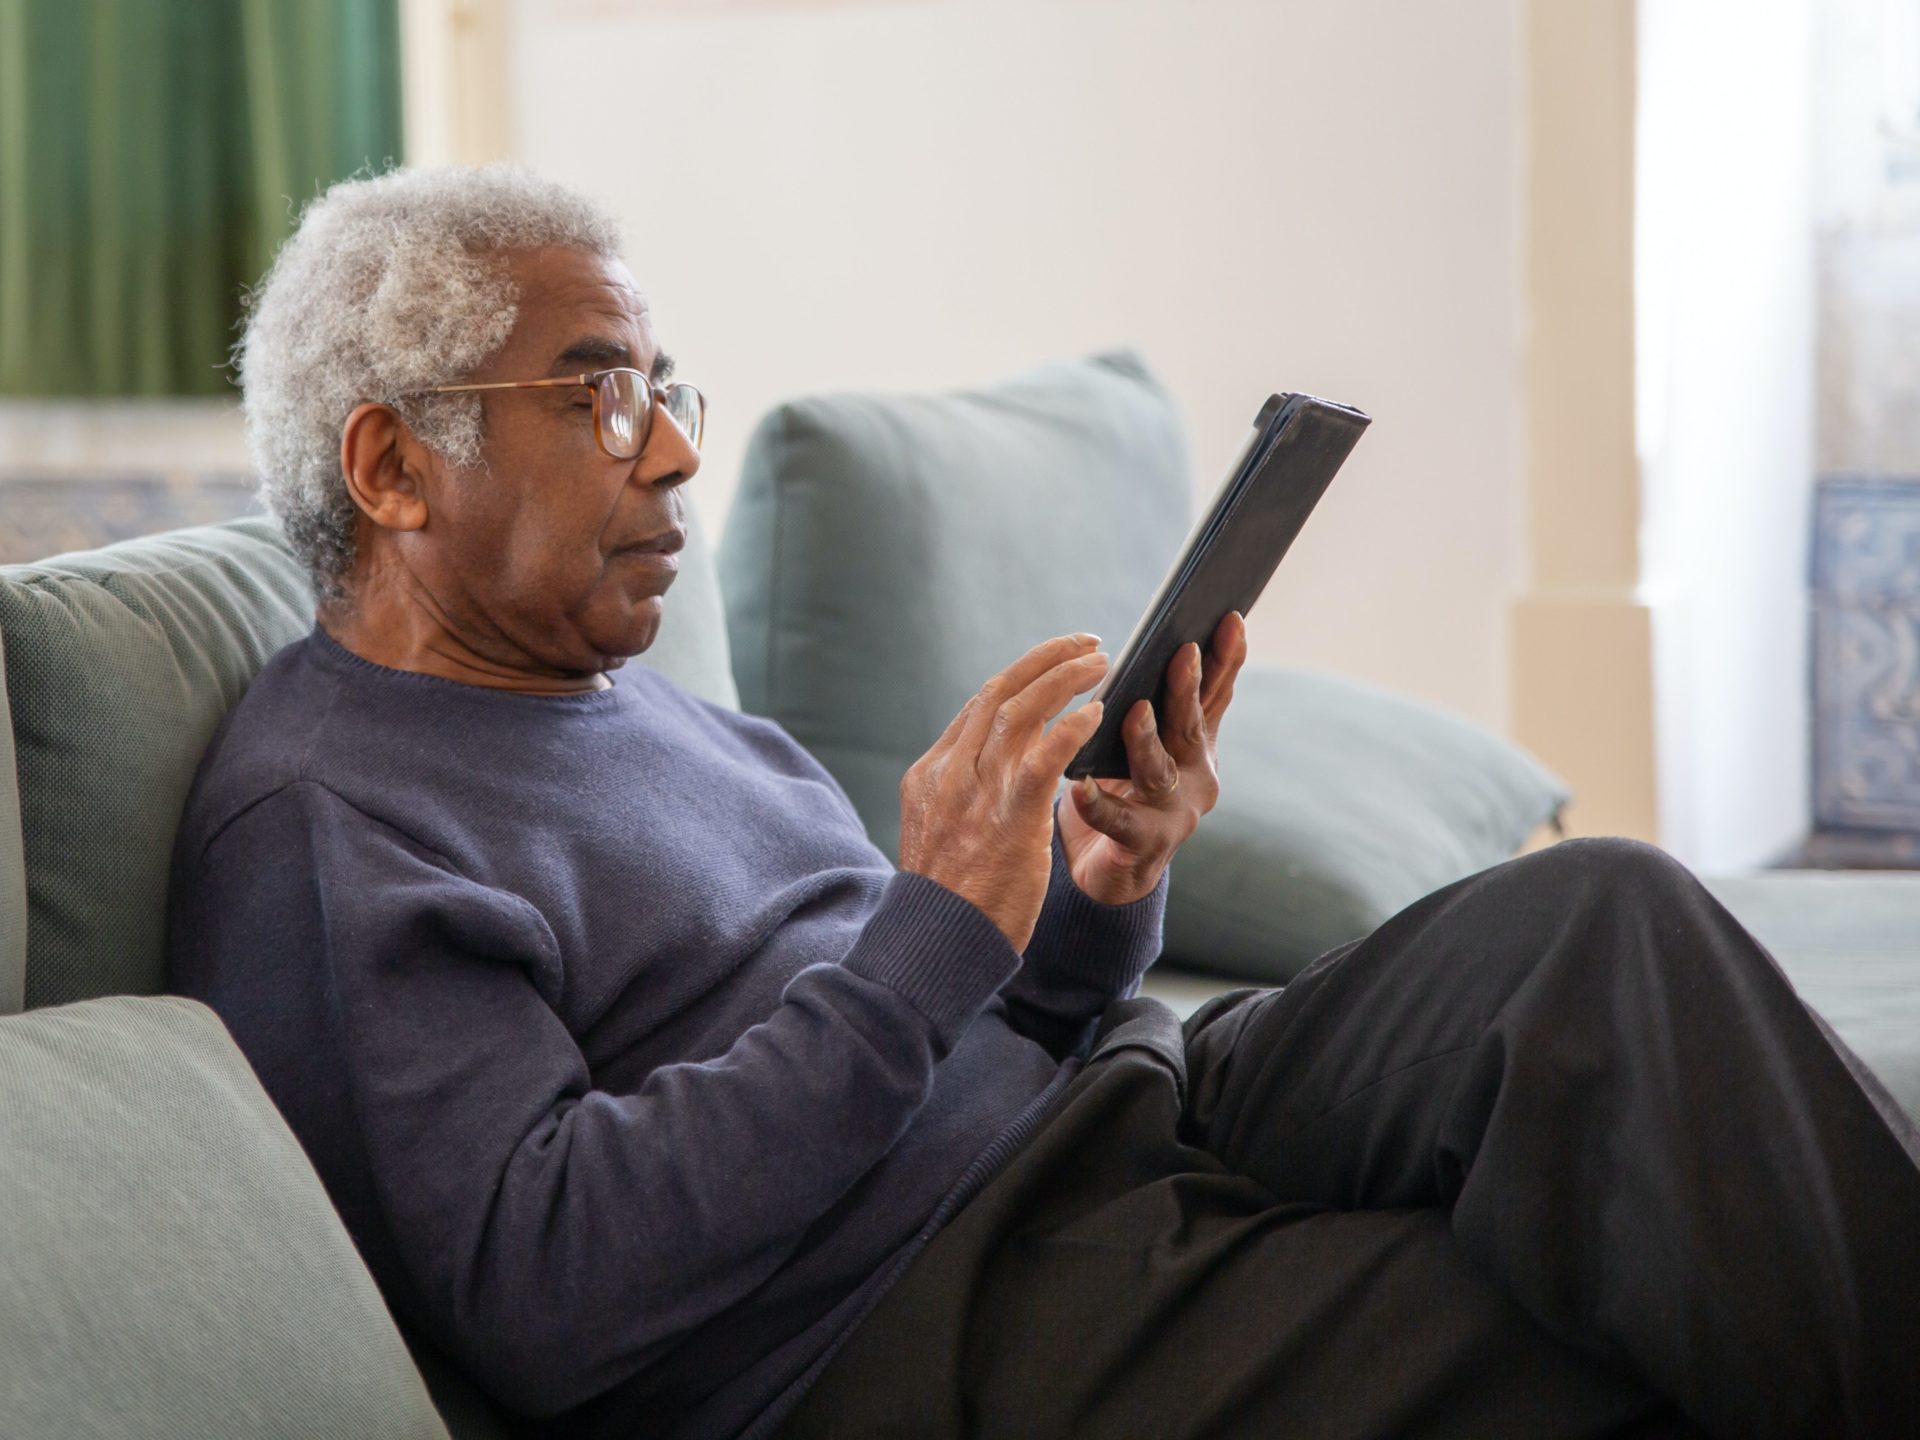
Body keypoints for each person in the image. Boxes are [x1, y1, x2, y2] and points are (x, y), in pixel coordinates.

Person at [164, 166, 1920, 1439]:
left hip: (1124, 1103)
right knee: (1608, 1330)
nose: (675, 448)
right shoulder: (332, 820)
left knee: (1597, 921)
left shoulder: (674, 724)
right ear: (392, 462)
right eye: (600, 394)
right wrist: (925, 935)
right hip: (930, 1310)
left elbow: (971, 1023)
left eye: (663, 388)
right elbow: (546, 1294)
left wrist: (1089, 900)